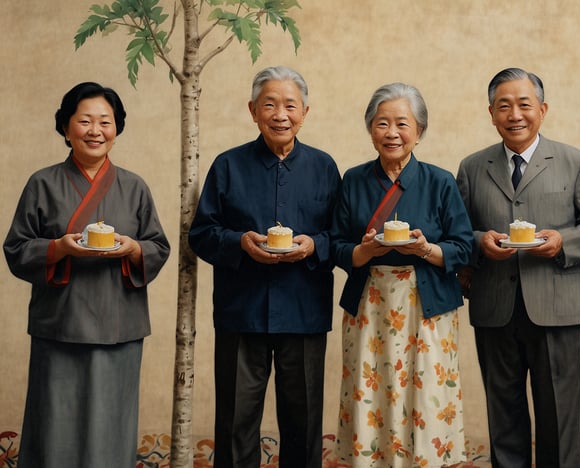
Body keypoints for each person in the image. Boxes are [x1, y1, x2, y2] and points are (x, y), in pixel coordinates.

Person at [3, 82, 170, 467]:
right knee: (54, 424)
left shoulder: (134, 186)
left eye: (105, 122)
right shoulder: (41, 183)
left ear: (117, 129)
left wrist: (133, 248)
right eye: (85, 121)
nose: (95, 130)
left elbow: (158, 246)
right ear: (66, 127)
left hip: (119, 325)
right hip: (60, 323)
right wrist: (59, 247)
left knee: (112, 424)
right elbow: (16, 248)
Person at [456, 67, 580, 467]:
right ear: (490, 113)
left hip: (557, 307)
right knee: (503, 416)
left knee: (559, 416)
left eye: (524, 104)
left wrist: (563, 242)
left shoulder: (574, 162)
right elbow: (458, 233)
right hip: (495, 307)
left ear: (542, 109)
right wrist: (480, 242)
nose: (515, 115)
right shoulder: (472, 167)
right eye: (503, 106)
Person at [188, 65, 341, 468]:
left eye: (290, 105)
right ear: (253, 110)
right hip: (242, 313)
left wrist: (314, 246)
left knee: (304, 426)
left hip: (304, 313)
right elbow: (201, 234)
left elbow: (339, 237)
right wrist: (239, 242)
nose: (280, 114)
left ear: (305, 112)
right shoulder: (227, 165)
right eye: (269, 104)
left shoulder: (324, 167)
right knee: (236, 423)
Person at [330, 82, 473, 467]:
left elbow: (463, 247)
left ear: (419, 131)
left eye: (402, 124)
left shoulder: (440, 181)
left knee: (425, 395)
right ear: (370, 129)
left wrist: (425, 249)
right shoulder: (354, 179)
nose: (391, 133)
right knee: (371, 394)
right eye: (382, 123)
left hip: (427, 306)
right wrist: (363, 251)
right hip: (369, 306)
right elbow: (335, 244)